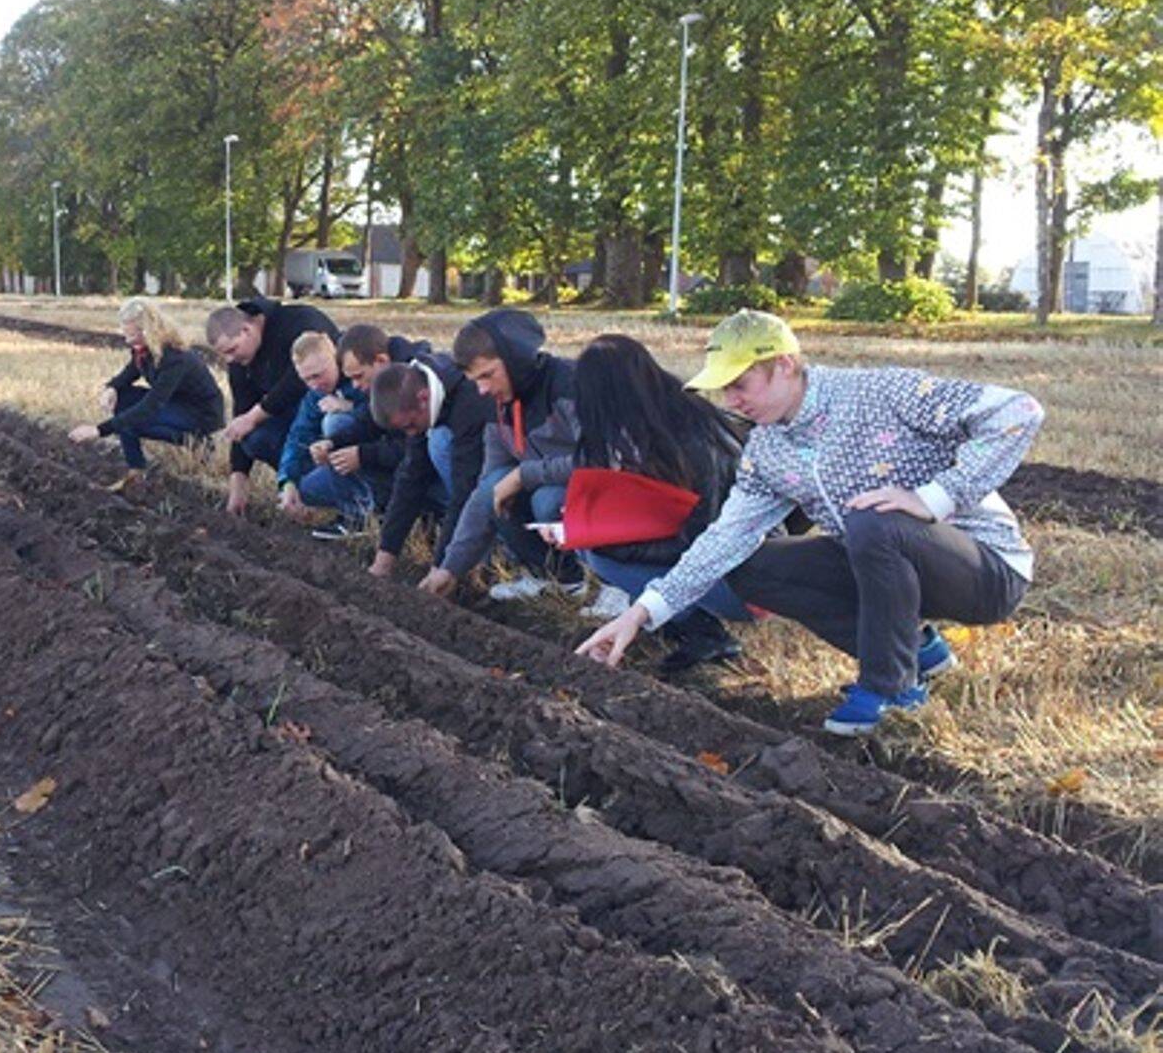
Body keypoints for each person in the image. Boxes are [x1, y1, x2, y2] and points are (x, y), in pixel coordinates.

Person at [576, 310, 1044, 736]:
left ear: (784, 364)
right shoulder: (768, 449)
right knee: (748, 565)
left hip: (984, 569)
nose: (731, 400)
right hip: (884, 561)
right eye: (724, 388)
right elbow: (723, 539)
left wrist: (934, 498)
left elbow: (1017, 412)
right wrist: (641, 614)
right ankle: (918, 652)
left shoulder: (879, 393)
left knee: (873, 519)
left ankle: (892, 689)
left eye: (741, 383)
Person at [561, 334, 749, 673]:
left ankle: (704, 631)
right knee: (591, 544)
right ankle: (678, 621)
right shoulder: (665, 426)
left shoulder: (691, 442)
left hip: (744, 574)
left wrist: (614, 543)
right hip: (713, 556)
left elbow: (703, 538)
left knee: (600, 555)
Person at [423, 310, 582, 600]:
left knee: (546, 500)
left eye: (487, 375)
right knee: (495, 488)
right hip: (555, 486)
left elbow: (598, 460)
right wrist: (450, 568)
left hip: (602, 488)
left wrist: (523, 474)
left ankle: (608, 584)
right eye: (475, 380)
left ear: (516, 359)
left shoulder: (570, 385)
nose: (482, 390)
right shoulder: (500, 405)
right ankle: (552, 576)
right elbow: (487, 486)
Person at [205, 297, 338, 516]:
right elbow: (242, 416)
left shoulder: (298, 322)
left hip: (331, 408)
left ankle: (334, 490)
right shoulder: (240, 363)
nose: (229, 360)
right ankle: (299, 487)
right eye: (224, 354)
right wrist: (238, 482)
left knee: (335, 423)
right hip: (293, 421)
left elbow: (297, 381)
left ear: (247, 330)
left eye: (232, 349)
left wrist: (255, 415)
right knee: (253, 438)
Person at [366, 353, 494, 581]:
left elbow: (465, 490)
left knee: (439, 442)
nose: (411, 434)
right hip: (475, 479)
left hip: (504, 479)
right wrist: (386, 553)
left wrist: (443, 567)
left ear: (423, 398)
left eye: (411, 425)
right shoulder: (424, 401)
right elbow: (411, 477)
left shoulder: (469, 401)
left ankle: (486, 556)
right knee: (428, 448)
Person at [68, 298, 224, 479]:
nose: (129, 342)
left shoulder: (174, 358)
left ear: (149, 332)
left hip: (200, 414)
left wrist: (99, 430)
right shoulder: (143, 349)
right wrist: (111, 388)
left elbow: (151, 406)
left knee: (131, 421)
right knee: (123, 399)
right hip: (175, 403)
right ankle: (136, 470)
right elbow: (129, 373)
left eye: (132, 336)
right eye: (126, 335)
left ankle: (198, 441)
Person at [303, 324, 430, 540]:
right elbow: (367, 423)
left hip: (421, 473)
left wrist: (363, 455)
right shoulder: (380, 385)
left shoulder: (413, 380)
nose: (356, 385)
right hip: (388, 462)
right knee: (309, 487)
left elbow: (415, 450)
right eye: (350, 379)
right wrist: (333, 443)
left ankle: (400, 513)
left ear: (381, 361)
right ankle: (364, 513)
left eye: (359, 376)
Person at [276, 332, 368, 523]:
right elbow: (298, 436)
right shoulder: (314, 395)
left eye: (318, 375)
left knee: (334, 422)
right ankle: (357, 503)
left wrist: (352, 409)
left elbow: (386, 412)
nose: (314, 385)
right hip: (345, 463)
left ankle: (358, 514)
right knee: (306, 489)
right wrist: (287, 481)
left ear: (335, 358)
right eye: (307, 380)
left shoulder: (361, 376)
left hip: (375, 456)